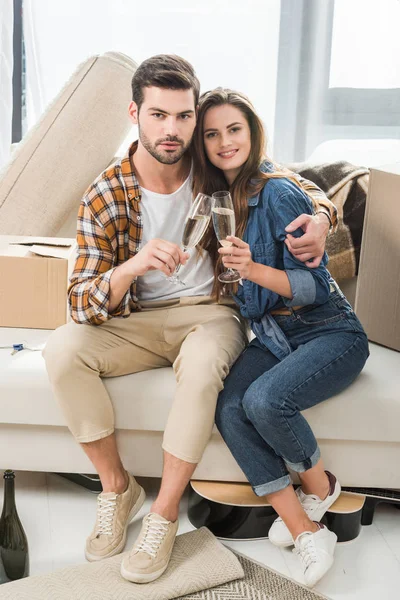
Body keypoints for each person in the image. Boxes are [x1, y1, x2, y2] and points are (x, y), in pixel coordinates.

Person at [43, 56, 336, 584]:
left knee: (203, 370)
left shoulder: (212, 164)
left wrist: (319, 218)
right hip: (136, 320)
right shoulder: (107, 192)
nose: (172, 130)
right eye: (159, 115)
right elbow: (81, 302)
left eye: (183, 116)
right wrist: (134, 265)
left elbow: (293, 182)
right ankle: (117, 488)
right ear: (135, 112)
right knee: (62, 351)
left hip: (209, 315)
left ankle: (163, 514)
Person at [192, 88, 369, 588]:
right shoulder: (217, 199)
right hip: (273, 333)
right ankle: (306, 529)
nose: (225, 142)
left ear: (252, 132)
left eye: (234, 130)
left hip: (328, 330)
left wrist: (251, 268)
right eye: (212, 134)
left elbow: (313, 289)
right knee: (229, 407)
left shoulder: (278, 193)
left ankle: (320, 484)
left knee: (267, 400)